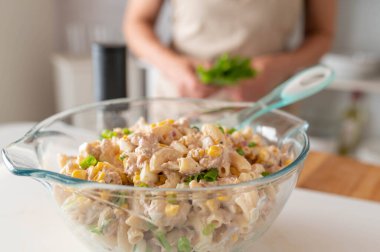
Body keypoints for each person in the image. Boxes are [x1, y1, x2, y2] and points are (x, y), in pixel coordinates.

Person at [124, 0, 336, 101]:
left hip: (265, 109)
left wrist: (278, 67)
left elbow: (322, 34)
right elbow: (136, 23)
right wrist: (171, 66)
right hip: (180, 105)